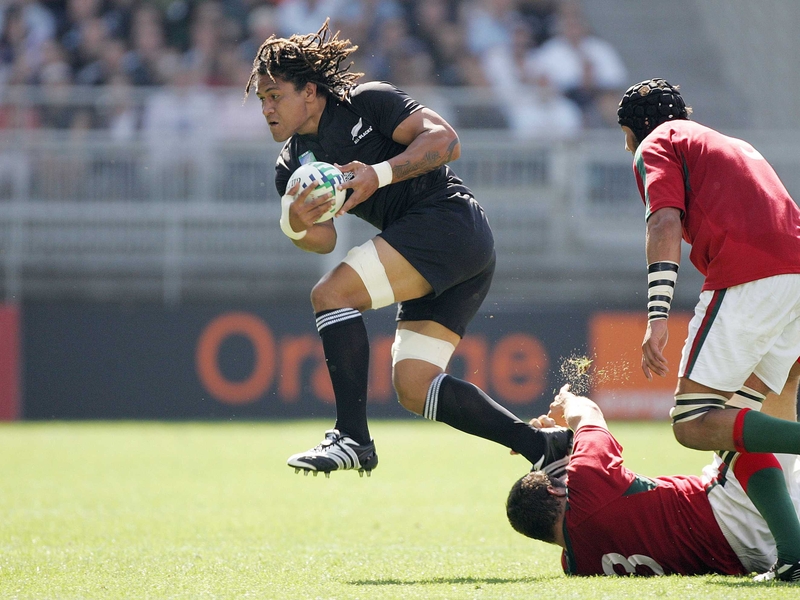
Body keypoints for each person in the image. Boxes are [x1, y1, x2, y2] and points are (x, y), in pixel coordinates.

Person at [244, 21, 572, 478]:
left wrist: (377, 173)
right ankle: (543, 446)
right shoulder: (290, 167)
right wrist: (294, 220)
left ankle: (352, 437)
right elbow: (324, 240)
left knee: (331, 295)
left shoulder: (366, 101)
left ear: (311, 92)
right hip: (435, 248)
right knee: (414, 386)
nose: (267, 109)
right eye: (262, 99)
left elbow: (446, 141)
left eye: (275, 95)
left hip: (448, 223)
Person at [617, 77, 800, 581]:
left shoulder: (657, 142)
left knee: (693, 421)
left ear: (632, 130)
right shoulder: (727, 142)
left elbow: (664, 223)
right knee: (738, 423)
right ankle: (794, 556)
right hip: (795, 276)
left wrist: (657, 316)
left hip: (750, 276)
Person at [506, 380, 800, 581]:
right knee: (705, 419)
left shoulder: (574, 565)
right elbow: (589, 414)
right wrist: (566, 402)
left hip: (754, 553)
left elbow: (603, 509)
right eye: (559, 477)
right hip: (743, 508)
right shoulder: (587, 489)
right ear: (554, 491)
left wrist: (561, 448)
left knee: (784, 381)